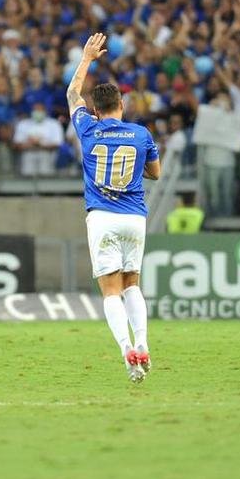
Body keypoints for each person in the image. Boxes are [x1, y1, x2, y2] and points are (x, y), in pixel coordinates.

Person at [67, 33, 161, 383]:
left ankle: (127, 351)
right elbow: (155, 172)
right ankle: (143, 342)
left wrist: (87, 58)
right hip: (134, 216)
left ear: (95, 110)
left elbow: (71, 94)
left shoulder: (88, 127)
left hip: (102, 217)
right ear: (121, 104)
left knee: (110, 290)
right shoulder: (140, 133)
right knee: (132, 284)